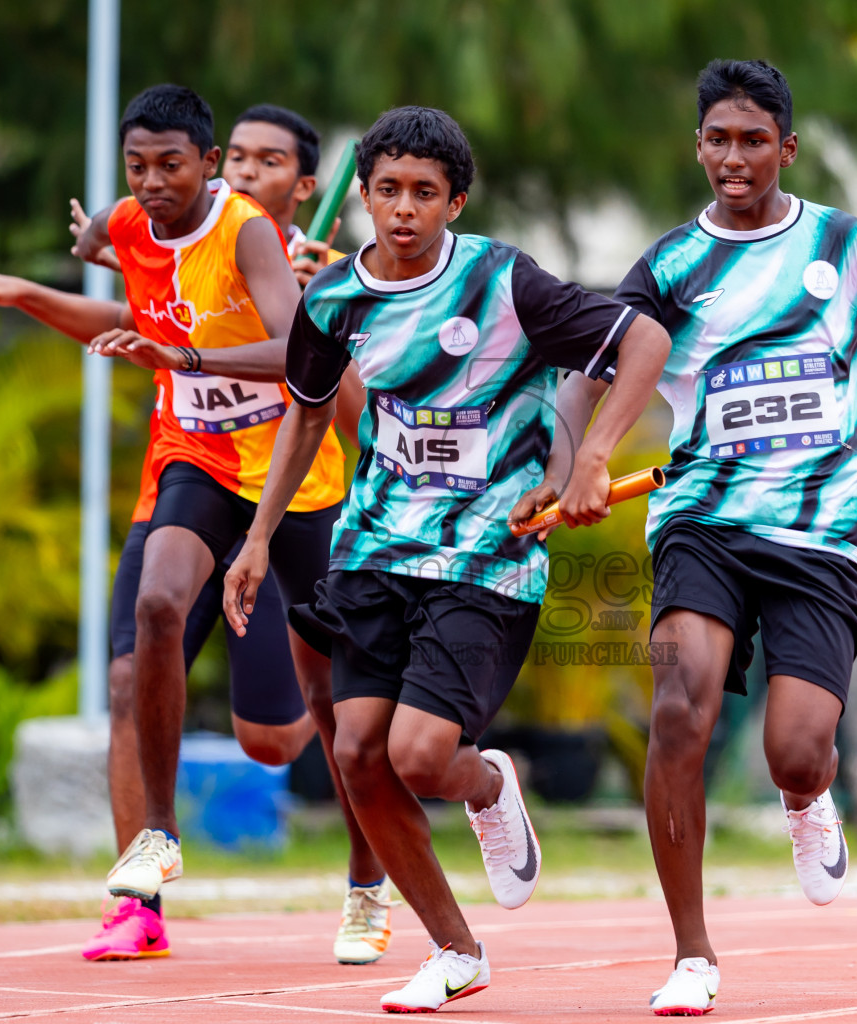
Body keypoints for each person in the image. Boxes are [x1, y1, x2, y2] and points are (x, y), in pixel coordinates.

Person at [561, 59, 857, 1015]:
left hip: (823, 532)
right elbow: (590, 368)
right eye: (716, 140)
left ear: (786, 148)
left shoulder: (844, 244)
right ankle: (691, 954)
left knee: (795, 747)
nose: (733, 158)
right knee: (680, 705)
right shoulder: (667, 265)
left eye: (753, 141)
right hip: (702, 519)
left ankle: (805, 795)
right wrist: (573, 457)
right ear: (696, 146)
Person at [221, 105, 671, 1014]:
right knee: (357, 752)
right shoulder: (336, 301)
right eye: (387, 190)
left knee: (422, 757)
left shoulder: (505, 282)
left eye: (425, 193)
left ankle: (488, 778)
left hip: (487, 557)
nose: (403, 209)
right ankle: (457, 951)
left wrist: (586, 459)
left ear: (454, 201)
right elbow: (309, 410)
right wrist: (260, 535)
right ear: (362, 196)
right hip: (377, 549)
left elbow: (644, 342)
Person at [0, 89, 391, 966]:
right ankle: (146, 872)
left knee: (287, 731)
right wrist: (42, 281)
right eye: (242, 160)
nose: (247, 174)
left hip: (294, 492)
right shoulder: (145, 219)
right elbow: (127, 298)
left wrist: (307, 316)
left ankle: (367, 883)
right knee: (138, 647)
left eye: (270, 163)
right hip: (189, 467)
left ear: (304, 186)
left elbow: (338, 396)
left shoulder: (288, 254)